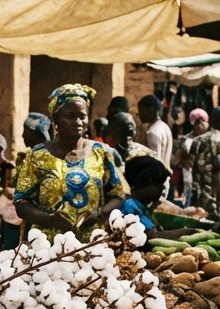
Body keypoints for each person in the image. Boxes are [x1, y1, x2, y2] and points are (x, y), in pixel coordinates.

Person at [14, 84, 127, 242]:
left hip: (91, 246)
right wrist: (50, 219)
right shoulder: (37, 155)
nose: (78, 122)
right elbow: (21, 202)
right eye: (70, 116)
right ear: (55, 119)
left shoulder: (100, 152)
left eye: (82, 116)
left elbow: (118, 195)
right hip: (47, 248)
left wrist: (99, 213)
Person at [117, 155, 185, 238]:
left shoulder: (142, 207)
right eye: (158, 185)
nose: (161, 189)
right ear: (146, 182)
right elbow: (151, 236)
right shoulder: (129, 205)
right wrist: (187, 232)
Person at [188, 107, 220, 214]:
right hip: (212, 197)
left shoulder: (196, 140)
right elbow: (217, 170)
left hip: (195, 195)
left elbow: (192, 166)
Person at [171, 107, 209, 205]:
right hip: (189, 175)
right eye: (196, 122)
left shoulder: (210, 140)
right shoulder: (185, 140)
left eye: (202, 121)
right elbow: (174, 158)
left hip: (206, 177)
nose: (199, 125)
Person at [137, 94, 173, 167]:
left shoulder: (153, 132)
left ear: (150, 109)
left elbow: (154, 162)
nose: (139, 114)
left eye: (141, 110)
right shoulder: (164, 126)